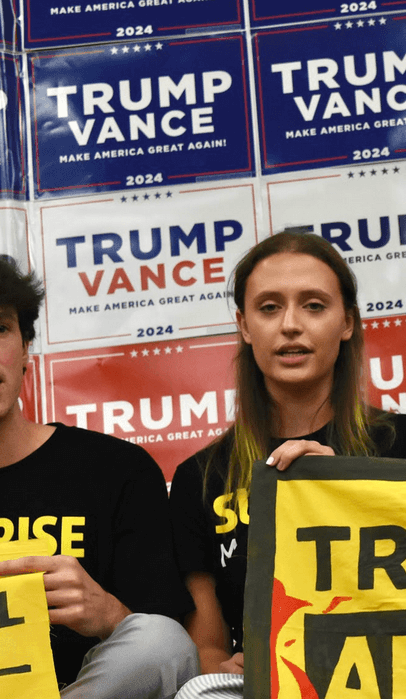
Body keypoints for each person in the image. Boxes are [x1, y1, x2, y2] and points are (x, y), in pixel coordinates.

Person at [169, 231, 406, 695]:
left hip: (396, 673)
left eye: (314, 306)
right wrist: (231, 670)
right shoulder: (201, 476)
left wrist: (341, 488)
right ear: (243, 325)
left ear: (347, 323)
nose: (291, 325)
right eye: (269, 307)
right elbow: (209, 649)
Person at [0, 260, 197, 698]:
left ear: (26, 346)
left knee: (161, 639)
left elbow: (168, 654)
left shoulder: (115, 469)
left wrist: (106, 611)